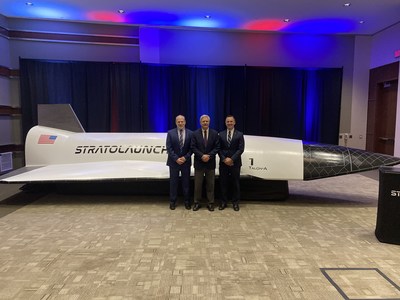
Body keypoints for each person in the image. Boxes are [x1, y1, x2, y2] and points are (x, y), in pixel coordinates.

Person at [191, 114, 220, 211]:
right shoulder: (194, 134)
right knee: (197, 185)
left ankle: (210, 203)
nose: (205, 123)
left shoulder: (215, 134)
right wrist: (202, 156)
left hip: (210, 163)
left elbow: (217, 147)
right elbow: (193, 147)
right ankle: (196, 203)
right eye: (203, 121)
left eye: (207, 121)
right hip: (199, 163)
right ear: (200, 123)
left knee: (210, 185)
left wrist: (209, 156)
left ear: (209, 122)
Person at [166, 115, 193, 210]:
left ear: (185, 122)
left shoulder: (190, 133)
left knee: (186, 183)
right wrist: (176, 158)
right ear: (176, 122)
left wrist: (185, 158)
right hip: (174, 163)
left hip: (186, 162)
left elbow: (192, 149)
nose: (180, 123)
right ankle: (172, 202)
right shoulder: (170, 133)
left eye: (182, 121)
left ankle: (187, 201)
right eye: (179, 122)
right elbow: (169, 148)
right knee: (173, 183)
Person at [218, 115, 245, 211]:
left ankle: (235, 203)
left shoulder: (240, 134)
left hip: (235, 163)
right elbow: (219, 149)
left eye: (231, 121)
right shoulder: (220, 134)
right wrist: (224, 159)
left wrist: (232, 159)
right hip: (223, 163)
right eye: (227, 121)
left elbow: (240, 149)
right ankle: (223, 202)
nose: (229, 123)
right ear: (225, 123)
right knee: (223, 183)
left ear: (234, 122)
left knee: (235, 183)